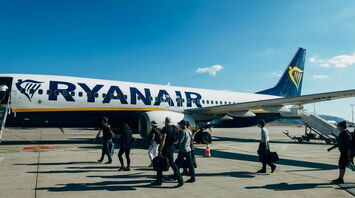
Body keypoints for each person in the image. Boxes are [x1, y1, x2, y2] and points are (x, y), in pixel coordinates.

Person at [151, 117, 184, 187]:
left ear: (166, 121)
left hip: (165, 149)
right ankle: (180, 179)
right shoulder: (175, 128)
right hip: (172, 148)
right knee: (172, 164)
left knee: (160, 163)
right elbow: (176, 140)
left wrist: (160, 149)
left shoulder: (165, 128)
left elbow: (163, 139)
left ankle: (159, 181)